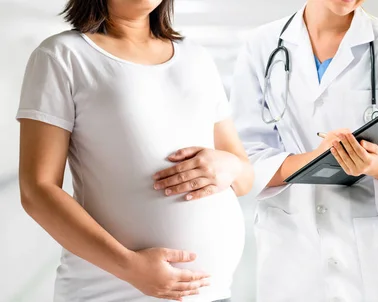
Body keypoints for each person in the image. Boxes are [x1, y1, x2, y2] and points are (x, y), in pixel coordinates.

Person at [16, 0, 253, 301]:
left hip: (213, 293)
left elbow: (244, 178)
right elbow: (37, 190)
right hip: (111, 293)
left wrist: (229, 166)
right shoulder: (62, 55)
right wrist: (130, 267)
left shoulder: (196, 57)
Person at [228, 0, 378, 301]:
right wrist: (316, 159)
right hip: (294, 249)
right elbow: (243, 160)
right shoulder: (262, 46)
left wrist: (374, 166)